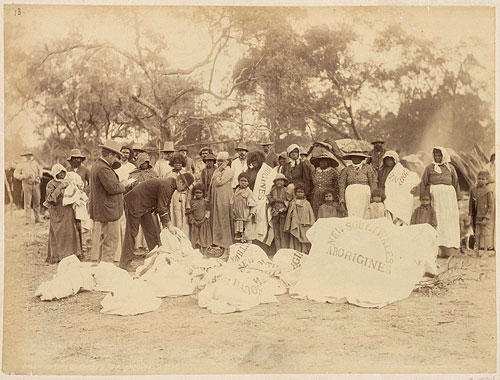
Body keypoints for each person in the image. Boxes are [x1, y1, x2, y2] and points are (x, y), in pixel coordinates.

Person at [120, 173, 195, 271]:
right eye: (185, 187)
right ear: (181, 182)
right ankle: (125, 263)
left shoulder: (171, 185)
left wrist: (167, 224)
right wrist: (169, 224)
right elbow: (161, 207)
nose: (185, 190)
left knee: (152, 233)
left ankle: (155, 260)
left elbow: (166, 205)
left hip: (144, 206)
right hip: (135, 203)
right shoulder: (167, 185)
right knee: (132, 233)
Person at [89, 140, 126, 263]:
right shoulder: (103, 169)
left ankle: (102, 268)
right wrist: (124, 185)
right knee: (110, 243)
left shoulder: (97, 166)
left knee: (104, 241)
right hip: (109, 211)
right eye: (116, 156)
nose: (116, 160)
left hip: (104, 210)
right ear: (110, 155)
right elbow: (113, 188)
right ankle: (106, 270)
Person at [421, 146, 460, 258]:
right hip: (435, 198)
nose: (437, 158)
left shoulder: (451, 168)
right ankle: (436, 249)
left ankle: (449, 249)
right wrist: (425, 196)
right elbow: (424, 183)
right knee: (437, 219)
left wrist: (458, 200)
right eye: (436, 155)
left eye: (439, 155)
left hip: (449, 199)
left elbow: (456, 183)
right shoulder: (429, 168)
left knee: (448, 221)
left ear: (444, 156)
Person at [44, 164, 82, 264]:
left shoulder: (69, 181)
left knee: (70, 231)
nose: (61, 174)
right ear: (55, 174)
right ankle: (58, 255)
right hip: (57, 211)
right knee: (58, 233)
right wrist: (60, 187)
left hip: (67, 210)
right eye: (58, 173)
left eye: (62, 172)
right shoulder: (51, 184)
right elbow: (50, 198)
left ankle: (71, 254)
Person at [378, 150, 420, 225]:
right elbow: (380, 182)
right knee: (387, 211)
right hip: (386, 193)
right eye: (387, 160)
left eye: (391, 160)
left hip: (397, 193)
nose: (389, 162)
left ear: (394, 160)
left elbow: (409, 177)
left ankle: (399, 224)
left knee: (398, 206)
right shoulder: (381, 171)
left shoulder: (400, 170)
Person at [338, 151, 377, 218]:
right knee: (352, 211)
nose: (355, 159)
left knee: (365, 212)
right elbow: (342, 184)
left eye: (358, 157)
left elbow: (373, 182)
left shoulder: (368, 168)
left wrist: (374, 196)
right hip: (351, 193)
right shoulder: (346, 169)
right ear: (351, 158)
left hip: (364, 193)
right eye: (353, 157)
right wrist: (342, 199)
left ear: (362, 159)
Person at [209, 152, 234, 252]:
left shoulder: (229, 171)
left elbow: (219, 182)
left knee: (223, 219)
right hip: (216, 198)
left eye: (222, 161)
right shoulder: (217, 171)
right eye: (218, 161)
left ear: (227, 162)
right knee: (217, 219)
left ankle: (226, 244)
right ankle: (218, 243)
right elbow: (212, 182)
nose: (219, 163)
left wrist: (218, 171)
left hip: (224, 198)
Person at [284, 182, 315, 254]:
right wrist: (288, 224)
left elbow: (311, 215)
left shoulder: (307, 203)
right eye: (298, 192)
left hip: (304, 224)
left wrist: (311, 224)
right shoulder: (293, 202)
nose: (300, 193)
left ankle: (304, 251)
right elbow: (289, 214)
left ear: (304, 193)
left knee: (304, 237)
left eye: (301, 192)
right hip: (295, 222)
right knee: (295, 237)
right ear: (295, 193)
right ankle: (295, 251)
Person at [469, 171, 494, 257]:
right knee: (477, 234)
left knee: (485, 234)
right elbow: (470, 204)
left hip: (484, 216)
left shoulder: (488, 192)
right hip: (476, 216)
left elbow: (491, 207)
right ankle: (476, 251)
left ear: (487, 180)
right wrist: (471, 215)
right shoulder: (473, 190)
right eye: (479, 179)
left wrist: (487, 217)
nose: (481, 181)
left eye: (483, 179)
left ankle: (485, 252)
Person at [14, 151, 43, 224]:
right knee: (27, 202)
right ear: (24, 156)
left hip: (35, 184)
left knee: (37, 202)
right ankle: (28, 220)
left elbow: (40, 171)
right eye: (27, 155)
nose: (28, 156)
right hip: (26, 184)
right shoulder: (21, 164)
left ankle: (37, 218)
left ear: (31, 155)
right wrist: (22, 177)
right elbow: (15, 174)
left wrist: (39, 176)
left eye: (29, 155)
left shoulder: (35, 163)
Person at [310, 151, 340, 217]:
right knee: (316, 213)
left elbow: (337, 185)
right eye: (321, 161)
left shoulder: (333, 172)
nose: (323, 163)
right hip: (316, 196)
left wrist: (336, 198)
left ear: (328, 162)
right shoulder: (314, 171)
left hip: (328, 196)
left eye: (325, 161)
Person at [168, 152, 190, 236]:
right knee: (173, 215)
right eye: (176, 163)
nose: (178, 165)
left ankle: (183, 237)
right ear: (172, 164)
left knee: (182, 217)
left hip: (183, 197)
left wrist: (188, 203)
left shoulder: (186, 174)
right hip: (172, 197)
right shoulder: (168, 174)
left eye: (180, 163)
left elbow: (190, 188)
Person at [231, 172, 257, 243]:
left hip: (246, 216)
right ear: (239, 181)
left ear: (248, 182)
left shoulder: (249, 192)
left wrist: (251, 215)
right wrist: (233, 213)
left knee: (248, 234)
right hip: (237, 217)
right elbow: (233, 203)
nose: (243, 182)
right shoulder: (236, 191)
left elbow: (253, 205)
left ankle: (249, 249)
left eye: (245, 181)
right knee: (238, 234)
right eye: (241, 181)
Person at [187, 184, 212, 254]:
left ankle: (204, 251)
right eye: (196, 193)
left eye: (200, 193)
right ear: (194, 193)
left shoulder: (205, 202)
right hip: (195, 222)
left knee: (203, 237)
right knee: (195, 237)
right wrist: (193, 221)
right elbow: (190, 212)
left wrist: (203, 220)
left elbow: (208, 212)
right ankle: (196, 252)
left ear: (203, 193)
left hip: (203, 222)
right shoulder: (192, 202)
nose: (198, 194)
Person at [267, 173, 289, 250]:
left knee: (283, 233)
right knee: (276, 232)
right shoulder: (273, 190)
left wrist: (282, 202)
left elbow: (289, 201)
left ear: (284, 182)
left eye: (281, 180)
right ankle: (278, 250)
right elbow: (269, 196)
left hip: (283, 214)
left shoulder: (286, 190)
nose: (279, 182)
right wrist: (272, 200)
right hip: (275, 213)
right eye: (277, 181)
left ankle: (284, 250)